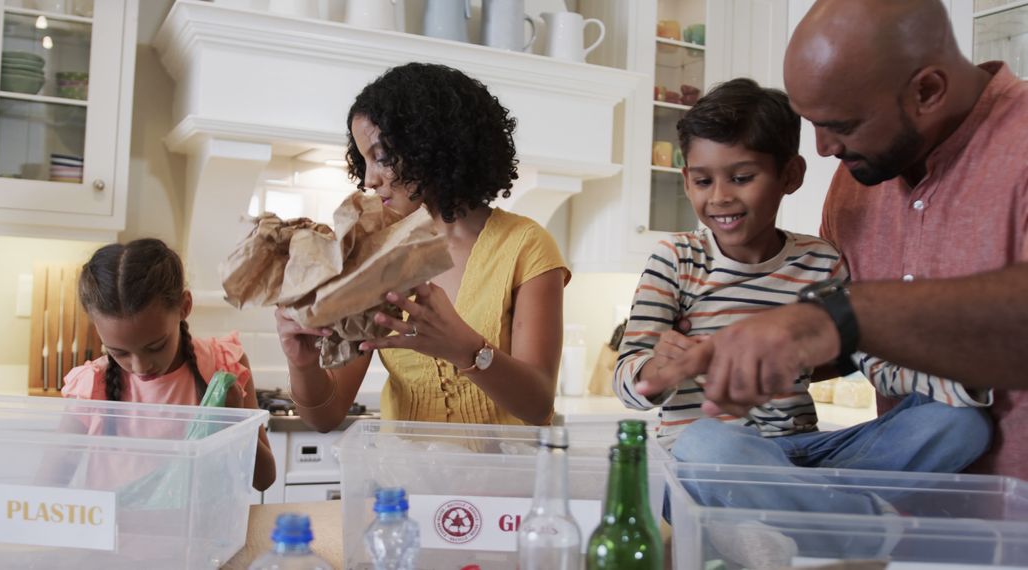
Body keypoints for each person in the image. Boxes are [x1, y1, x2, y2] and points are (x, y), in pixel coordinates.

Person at [635, 0, 1028, 481]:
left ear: (927, 90)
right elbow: (840, 346)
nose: (824, 150)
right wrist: (739, 358)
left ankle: (802, 526)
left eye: (842, 125)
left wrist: (840, 319)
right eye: (814, 123)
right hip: (900, 521)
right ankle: (832, 524)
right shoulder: (855, 178)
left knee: (960, 421)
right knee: (704, 441)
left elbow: (848, 330)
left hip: (1009, 528)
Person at [617, 77, 989, 510]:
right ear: (686, 181)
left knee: (961, 424)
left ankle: (786, 519)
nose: (719, 197)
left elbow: (873, 358)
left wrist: (960, 381)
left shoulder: (821, 261)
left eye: (741, 177)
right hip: (706, 463)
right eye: (702, 182)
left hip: (802, 453)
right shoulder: (675, 258)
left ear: (790, 175)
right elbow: (627, 382)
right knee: (707, 440)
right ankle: (849, 526)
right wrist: (657, 370)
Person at [276, 63, 570, 431]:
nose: (369, 179)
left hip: (500, 482)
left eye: (381, 157)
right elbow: (326, 415)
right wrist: (302, 364)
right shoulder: (374, 253)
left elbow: (538, 406)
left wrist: (466, 349)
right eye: (363, 159)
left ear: (431, 144)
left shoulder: (526, 245)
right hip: (404, 483)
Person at [61, 238, 276, 492]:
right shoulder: (91, 386)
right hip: (117, 531)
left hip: (203, 531)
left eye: (155, 346)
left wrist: (237, 422)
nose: (140, 367)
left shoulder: (224, 365)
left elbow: (264, 479)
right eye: (118, 352)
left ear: (184, 307)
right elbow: (48, 482)